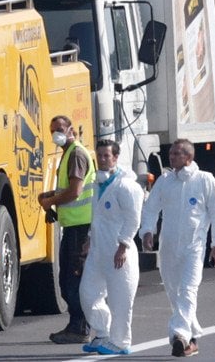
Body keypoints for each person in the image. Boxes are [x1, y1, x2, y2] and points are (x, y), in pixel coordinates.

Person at [139, 139, 215, 358]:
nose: (172, 157)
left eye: (177, 153)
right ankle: (191, 338)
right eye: (171, 153)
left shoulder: (205, 180)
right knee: (174, 292)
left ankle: (179, 335)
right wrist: (147, 231)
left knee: (188, 290)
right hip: (168, 248)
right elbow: (150, 209)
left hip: (193, 248)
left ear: (189, 157)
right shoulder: (165, 181)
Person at [79, 139, 143, 355]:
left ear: (116, 157)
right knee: (87, 294)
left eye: (107, 156)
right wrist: (90, 239)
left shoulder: (126, 186)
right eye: (100, 156)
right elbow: (97, 216)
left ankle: (121, 341)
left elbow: (133, 219)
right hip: (98, 250)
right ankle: (102, 332)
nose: (103, 160)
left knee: (120, 300)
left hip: (119, 253)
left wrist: (123, 245)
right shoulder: (98, 184)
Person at [38, 115, 96, 344]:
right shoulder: (68, 153)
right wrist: (51, 198)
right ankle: (78, 325)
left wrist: (51, 201)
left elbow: (74, 191)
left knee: (72, 280)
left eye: (60, 129)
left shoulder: (76, 154)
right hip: (72, 225)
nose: (56, 134)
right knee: (68, 279)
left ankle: (80, 327)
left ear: (71, 129)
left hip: (80, 227)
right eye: (53, 130)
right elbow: (67, 190)